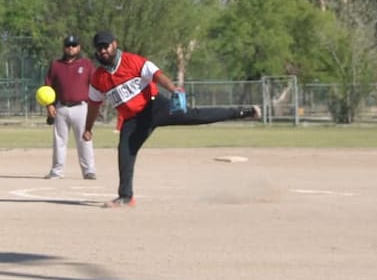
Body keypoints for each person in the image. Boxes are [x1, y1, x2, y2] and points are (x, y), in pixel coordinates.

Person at [82, 30, 261, 208]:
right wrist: (88, 128)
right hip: (133, 120)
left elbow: (157, 75)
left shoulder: (132, 61)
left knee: (197, 116)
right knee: (125, 152)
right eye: (99, 48)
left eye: (106, 46)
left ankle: (244, 112)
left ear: (115, 44)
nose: (103, 50)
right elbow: (93, 104)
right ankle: (126, 197)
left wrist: (173, 89)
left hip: (155, 107)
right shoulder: (98, 78)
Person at [42, 34, 97, 180]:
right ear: (64, 47)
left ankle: (89, 170)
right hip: (61, 107)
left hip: (81, 107)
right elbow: (48, 87)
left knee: (84, 139)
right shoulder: (56, 65)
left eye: (74, 45)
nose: (71, 48)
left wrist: (94, 105)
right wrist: (49, 105)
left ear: (79, 47)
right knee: (59, 141)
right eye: (68, 45)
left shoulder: (86, 64)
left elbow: (95, 85)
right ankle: (57, 171)